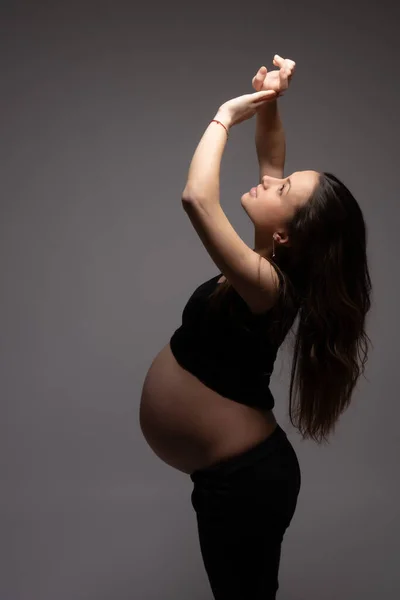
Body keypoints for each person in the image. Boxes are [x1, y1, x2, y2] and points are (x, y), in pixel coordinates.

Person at [140, 54, 372, 599]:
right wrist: (270, 99)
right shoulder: (272, 257)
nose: (272, 182)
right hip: (237, 480)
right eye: (284, 181)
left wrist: (224, 114)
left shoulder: (267, 285)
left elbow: (197, 198)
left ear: (287, 235)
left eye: (283, 190)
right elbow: (271, 156)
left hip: (245, 483)